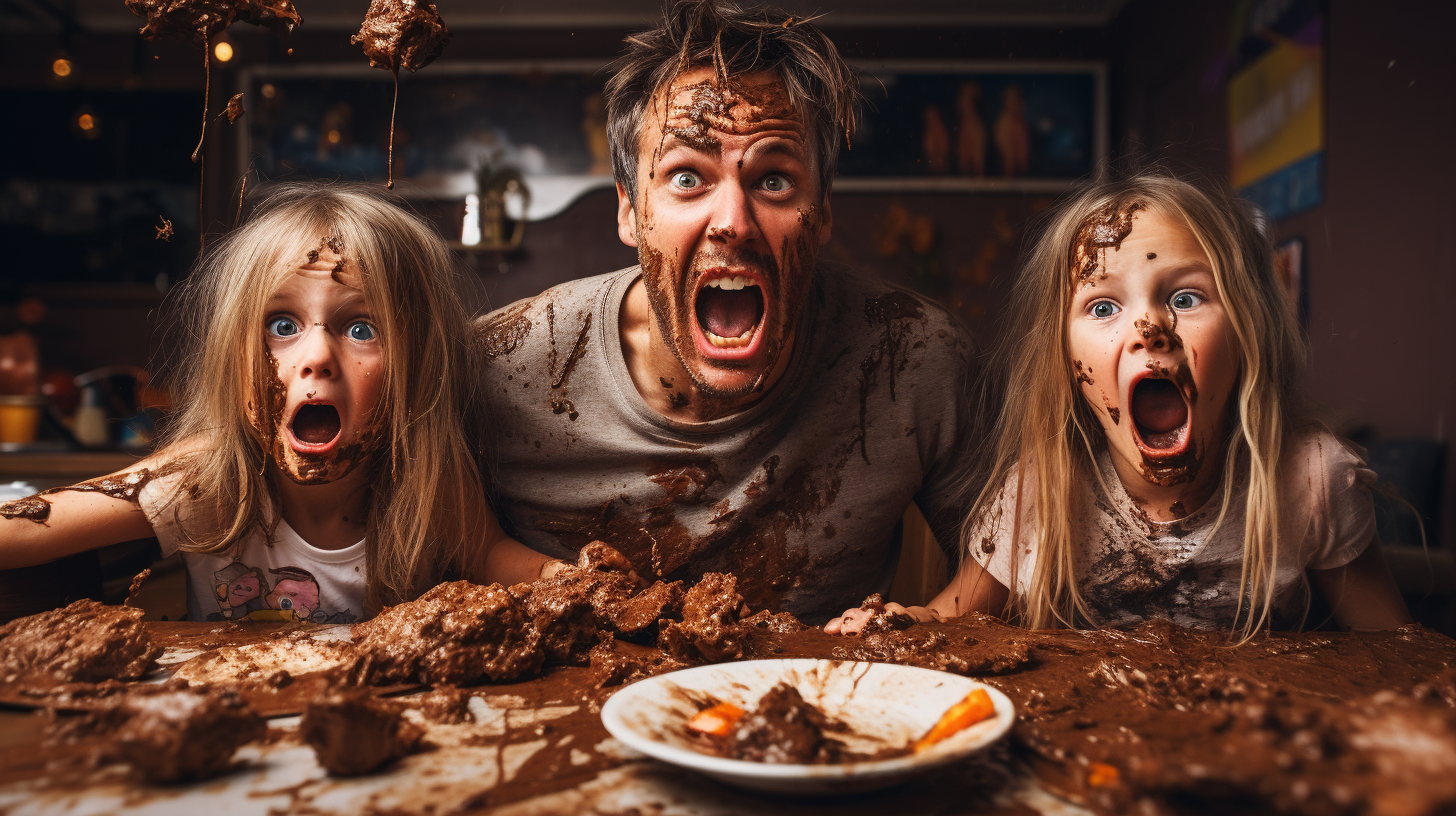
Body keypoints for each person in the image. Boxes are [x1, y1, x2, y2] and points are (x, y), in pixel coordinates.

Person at [475, 0, 977, 622]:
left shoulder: (915, 357)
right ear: (631, 212)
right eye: (687, 178)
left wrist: (926, 627)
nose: (733, 224)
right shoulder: (498, 364)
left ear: (821, 211)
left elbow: (1013, 549)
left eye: (773, 181)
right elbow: (423, 536)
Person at [826, 174, 1411, 637]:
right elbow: (949, 619)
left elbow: (1397, 653)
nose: (1149, 326)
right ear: (1066, 363)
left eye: (1185, 297)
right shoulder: (1038, 496)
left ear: (1245, 335)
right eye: (1103, 307)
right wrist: (900, 623)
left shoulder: (1310, 481)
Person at [0, 183, 555, 623]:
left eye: (362, 328)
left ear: (418, 367)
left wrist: (582, 582)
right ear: (230, 353)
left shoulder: (426, 482)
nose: (317, 357)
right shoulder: (207, 480)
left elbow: (494, 557)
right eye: (281, 325)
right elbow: (25, 528)